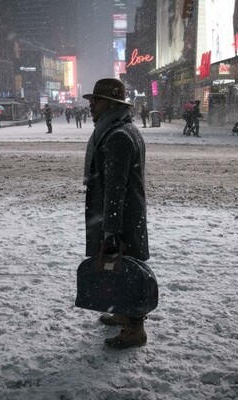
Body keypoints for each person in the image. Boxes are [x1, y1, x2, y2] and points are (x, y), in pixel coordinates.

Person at [82, 78, 150, 350]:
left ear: (110, 104)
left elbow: (115, 189)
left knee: (128, 269)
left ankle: (135, 329)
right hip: (127, 217)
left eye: (95, 101)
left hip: (120, 220)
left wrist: (111, 232)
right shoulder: (120, 129)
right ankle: (124, 313)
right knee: (120, 269)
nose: (91, 106)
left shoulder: (118, 136)